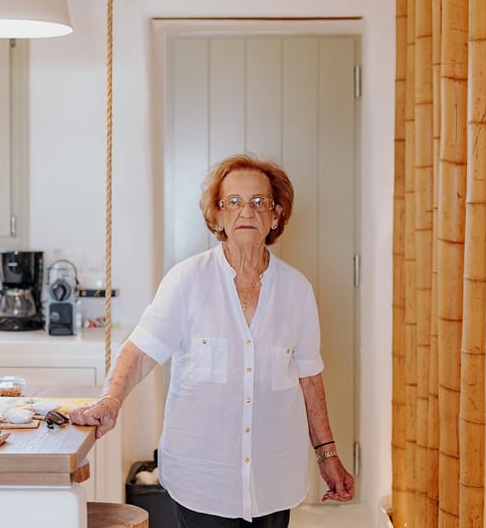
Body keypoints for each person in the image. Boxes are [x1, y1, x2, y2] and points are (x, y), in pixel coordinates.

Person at [69, 154, 354, 527]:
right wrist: (110, 400)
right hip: (201, 478)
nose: (245, 212)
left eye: (258, 202)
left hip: (274, 476)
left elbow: (309, 377)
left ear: (276, 215)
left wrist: (327, 454)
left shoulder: (297, 290)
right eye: (233, 202)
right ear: (217, 215)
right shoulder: (186, 280)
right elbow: (140, 351)